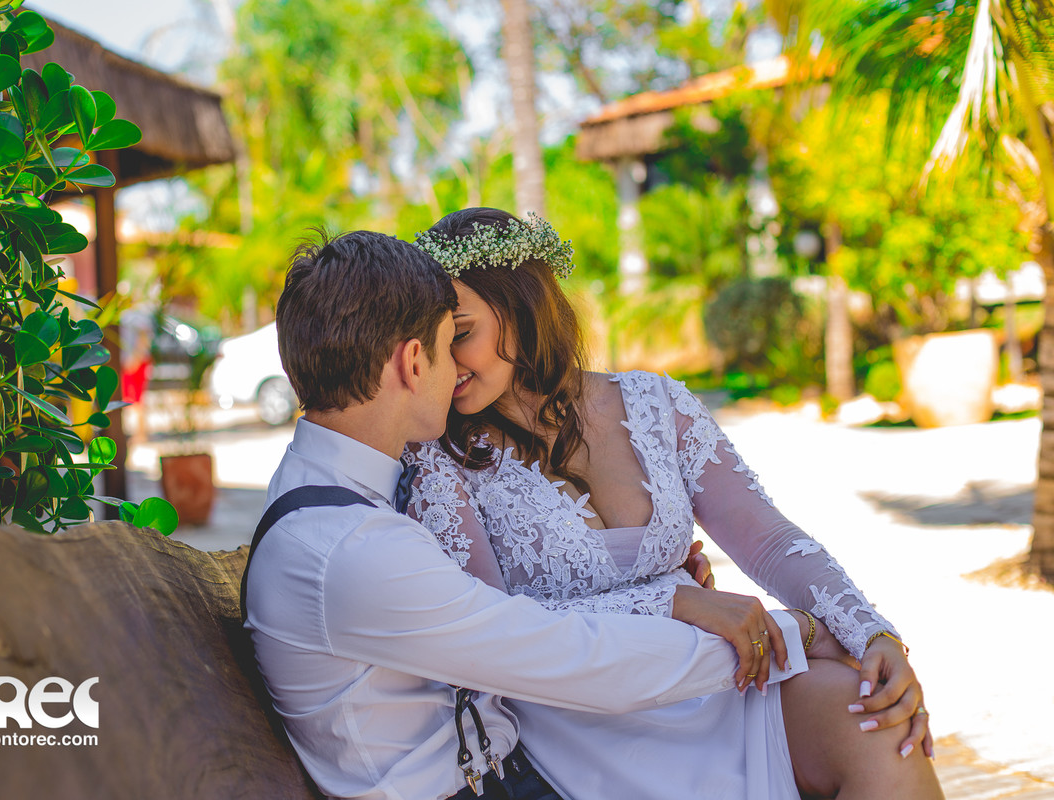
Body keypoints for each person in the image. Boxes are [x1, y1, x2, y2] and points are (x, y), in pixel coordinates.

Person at [242, 229, 816, 800]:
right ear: (414, 362)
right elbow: (571, 657)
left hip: (509, 767)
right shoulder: (351, 548)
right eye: (448, 345)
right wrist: (795, 634)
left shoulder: (334, 498)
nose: (456, 371)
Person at [405, 207, 944, 800]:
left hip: (714, 677)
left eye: (460, 334)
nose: (447, 363)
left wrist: (873, 636)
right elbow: (496, 634)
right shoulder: (438, 459)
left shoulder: (655, 404)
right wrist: (674, 601)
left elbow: (767, 539)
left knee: (878, 723)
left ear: (521, 306)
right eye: (431, 343)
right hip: (582, 726)